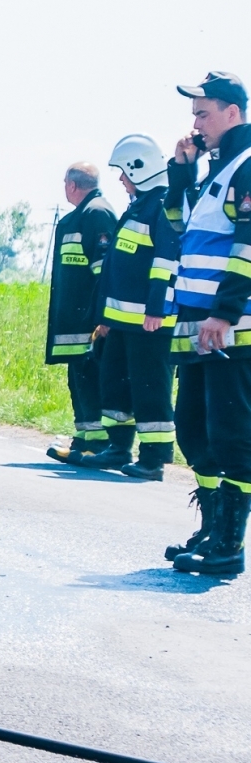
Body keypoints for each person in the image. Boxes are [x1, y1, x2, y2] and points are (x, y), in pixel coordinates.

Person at [164, 72, 251, 575]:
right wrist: (182, 174)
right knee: (194, 431)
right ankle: (212, 528)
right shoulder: (216, 169)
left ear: (232, 113)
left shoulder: (248, 164)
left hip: (230, 328)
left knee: (232, 436)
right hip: (196, 326)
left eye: (203, 114)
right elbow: (180, 229)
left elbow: (248, 244)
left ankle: (229, 546)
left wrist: (225, 312)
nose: (195, 124)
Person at [78, 135, 178, 479]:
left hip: (150, 324)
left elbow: (166, 261)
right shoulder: (138, 207)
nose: (121, 179)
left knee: (151, 390)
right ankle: (118, 448)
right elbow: (115, 270)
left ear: (140, 168)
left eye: (124, 171)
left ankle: (153, 460)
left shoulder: (161, 206)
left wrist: (157, 309)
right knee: (115, 384)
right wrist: (104, 318)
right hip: (121, 323)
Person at [43, 162, 118, 463]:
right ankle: (84, 439)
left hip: (89, 323)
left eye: (65, 183)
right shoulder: (82, 215)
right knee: (79, 381)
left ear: (72, 185)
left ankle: (97, 445)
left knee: (90, 379)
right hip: (75, 322)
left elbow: (104, 272)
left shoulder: (97, 213)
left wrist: (101, 317)